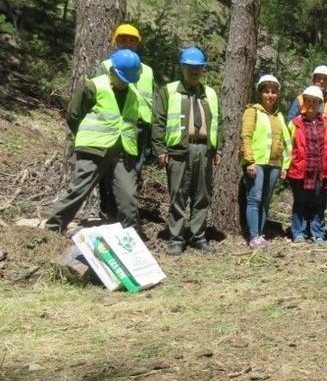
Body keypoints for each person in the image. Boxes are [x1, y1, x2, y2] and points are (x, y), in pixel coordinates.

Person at [44, 50, 143, 233]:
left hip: (123, 152)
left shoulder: (134, 94)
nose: (124, 83)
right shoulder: (93, 86)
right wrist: (86, 138)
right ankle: (53, 228)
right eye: (122, 78)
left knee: (129, 197)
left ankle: (130, 238)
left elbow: (132, 123)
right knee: (79, 190)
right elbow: (74, 116)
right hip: (94, 149)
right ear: (112, 71)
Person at [152, 47, 221, 255]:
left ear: (203, 70)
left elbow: (217, 123)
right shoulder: (169, 90)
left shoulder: (210, 93)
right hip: (178, 150)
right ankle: (176, 238)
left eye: (198, 67)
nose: (194, 71)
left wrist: (216, 149)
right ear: (182, 67)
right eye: (190, 66)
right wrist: (160, 149)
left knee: (202, 196)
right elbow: (158, 121)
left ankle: (199, 237)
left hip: (204, 150)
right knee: (178, 195)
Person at [94, 24, 155, 220]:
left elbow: (150, 99)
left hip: (139, 128)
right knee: (108, 174)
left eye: (131, 40)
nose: (127, 43)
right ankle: (110, 215)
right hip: (113, 128)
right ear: (116, 41)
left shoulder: (147, 71)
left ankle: (126, 218)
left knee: (133, 173)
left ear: (137, 43)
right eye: (123, 39)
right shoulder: (105, 66)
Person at [285, 86, 327, 245]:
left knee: (318, 203)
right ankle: (299, 232)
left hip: (321, 170)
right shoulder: (295, 124)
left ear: (320, 104)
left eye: (315, 101)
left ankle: (318, 233)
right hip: (301, 170)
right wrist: (285, 167)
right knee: (300, 202)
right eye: (308, 100)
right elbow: (288, 148)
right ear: (303, 102)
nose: (312, 104)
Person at [241, 75, 288, 249]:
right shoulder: (252, 111)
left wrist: (284, 164)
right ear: (260, 93)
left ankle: (260, 235)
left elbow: (284, 140)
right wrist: (250, 161)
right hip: (257, 162)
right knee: (255, 198)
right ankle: (253, 237)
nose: (270, 95)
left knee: (265, 200)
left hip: (274, 163)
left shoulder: (278, 116)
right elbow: (246, 136)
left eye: (273, 92)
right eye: (267, 91)